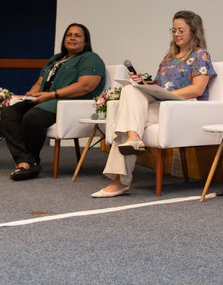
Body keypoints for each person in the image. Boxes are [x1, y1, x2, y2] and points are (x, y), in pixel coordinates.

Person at [91, 10, 216, 197]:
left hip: (182, 108)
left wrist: (167, 94)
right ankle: (134, 138)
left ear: (194, 31)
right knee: (130, 90)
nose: (176, 34)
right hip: (161, 105)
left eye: (181, 30)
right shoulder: (168, 58)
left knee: (127, 118)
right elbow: (157, 86)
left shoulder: (200, 55)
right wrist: (143, 84)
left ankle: (120, 181)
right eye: (173, 30)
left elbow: (197, 89)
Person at [1, 23, 106, 181]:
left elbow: (85, 86)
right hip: (46, 99)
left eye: (77, 35)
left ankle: (30, 161)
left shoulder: (91, 59)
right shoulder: (56, 59)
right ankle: (25, 160)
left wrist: (52, 95)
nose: (72, 38)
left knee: (32, 117)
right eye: (69, 35)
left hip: (70, 103)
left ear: (86, 41)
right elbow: (39, 82)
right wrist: (30, 94)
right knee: (9, 113)